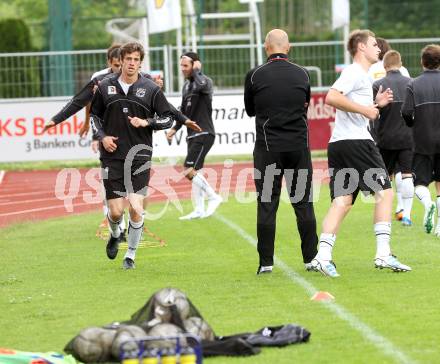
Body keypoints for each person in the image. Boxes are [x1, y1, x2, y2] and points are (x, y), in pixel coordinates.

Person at [311, 29, 411, 277]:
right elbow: (332, 97)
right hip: (357, 143)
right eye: (374, 45)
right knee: (386, 194)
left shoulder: (362, 76)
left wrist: (375, 105)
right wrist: (367, 111)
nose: (379, 48)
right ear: (361, 48)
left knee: (342, 201)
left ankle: (322, 257)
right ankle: (383, 254)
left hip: (341, 144)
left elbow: (354, 109)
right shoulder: (354, 72)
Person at [90, 41, 173, 270]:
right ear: (121, 60)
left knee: (136, 209)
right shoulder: (105, 87)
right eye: (128, 59)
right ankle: (115, 233)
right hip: (112, 156)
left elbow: (168, 118)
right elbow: (94, 117)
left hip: (139, 156)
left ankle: (131, 255)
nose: (132, 63)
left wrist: (147, 121)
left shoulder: (152, 89)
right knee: (116, 212)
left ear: (140, 62)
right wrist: (102, 137)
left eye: (136, 60)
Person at [243, 29, 318, 275]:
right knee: (303, 203)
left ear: (266, 47)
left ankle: (266, 262)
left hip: (268, 150)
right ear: (289, 47)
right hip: (298, 148)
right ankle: (311, 258)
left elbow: (251, 110)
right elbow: (305, 104)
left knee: (266, 203)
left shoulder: (254, 75)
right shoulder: (303, 73)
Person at [166, 51, 222, 220]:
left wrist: (197, 71)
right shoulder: (186, 86)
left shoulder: (204, 81)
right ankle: (199, 209)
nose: (182, 69)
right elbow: (183, 111)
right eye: (181, 65)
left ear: (195, 65)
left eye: (186, 66)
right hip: (192, 135)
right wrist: (175, 129)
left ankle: (214, 196)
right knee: (196, 171)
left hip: (204, 133)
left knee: (188, 170)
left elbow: (203, 86)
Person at [368, 38, 411, 221]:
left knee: (385, 175)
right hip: (407, 135)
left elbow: (370, 109)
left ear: (385, 65)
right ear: (400, 64)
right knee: (407, 173)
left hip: (384, 135)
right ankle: (405, 212)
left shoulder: (376, 80)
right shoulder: (411, 81)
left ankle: (383, 212)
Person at [401, 44, 440, 235]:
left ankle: (428, 203)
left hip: (422, 139)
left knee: (419, 183)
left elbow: (406, 112)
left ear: (422, 61)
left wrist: (412, 125)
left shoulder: (413, 84)